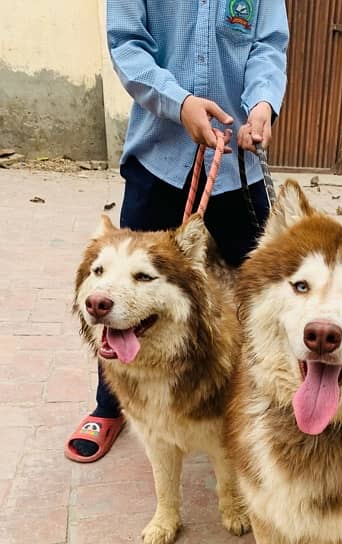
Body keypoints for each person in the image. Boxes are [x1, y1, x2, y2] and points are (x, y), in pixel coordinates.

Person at [65, 0, 288, 463]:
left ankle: (269, 401)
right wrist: (179, 102)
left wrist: (263, 102)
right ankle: (111, 406)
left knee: (266, 289)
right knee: (121, 288)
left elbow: (267, 45)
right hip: (159, 157)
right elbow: (128, 45)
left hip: (234, 165)